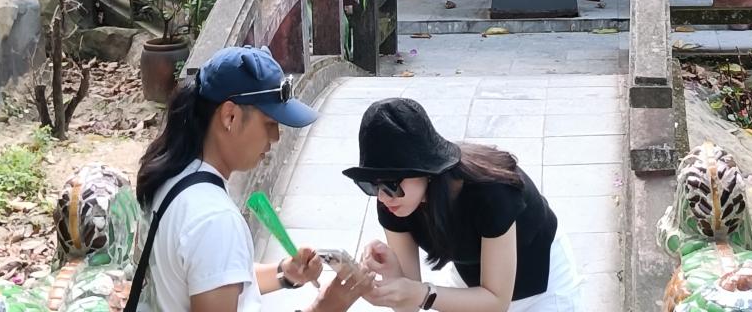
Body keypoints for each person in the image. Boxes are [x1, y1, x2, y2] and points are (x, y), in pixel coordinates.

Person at [135, 45, 372, 312]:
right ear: (230, 116)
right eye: (269, 124)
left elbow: (212, 276)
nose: (276, 137)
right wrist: (325, 307)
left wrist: (285, 273)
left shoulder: (174, 178)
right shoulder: (216, 220)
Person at [343, 98, 582, 312]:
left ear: (426, 170)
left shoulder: (490, 192)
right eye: (372, 184)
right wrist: (391, 281)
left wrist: (423, 294)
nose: (382, 197)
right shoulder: (393, 201)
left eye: (391, 183)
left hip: (541, 282)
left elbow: (496, 301)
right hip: (473, 284)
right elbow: (410, 305)